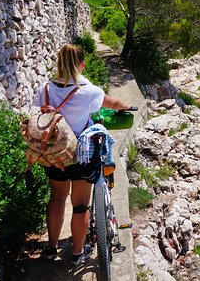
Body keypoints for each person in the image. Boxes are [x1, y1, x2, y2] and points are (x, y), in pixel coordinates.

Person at [33, 43, 133, 265]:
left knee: (57, 199)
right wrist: (127, 105)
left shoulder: (45, 90)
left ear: (58, 63)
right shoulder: (89, 91)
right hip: (80, 154)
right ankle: (77, 254)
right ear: (82, 65)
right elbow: (112, 103)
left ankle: (51, 249)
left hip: (54, 154)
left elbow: (39, 111)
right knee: (80, 205)